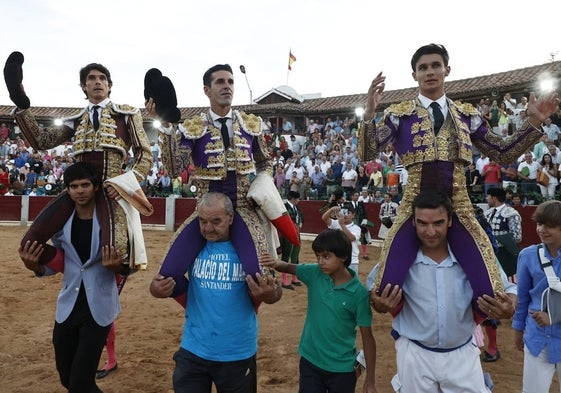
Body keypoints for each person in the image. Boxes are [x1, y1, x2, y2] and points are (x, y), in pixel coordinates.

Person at [358, 43, 559, 317]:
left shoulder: (467, 115)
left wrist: (532, 122)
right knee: (384, 293)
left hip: (459, 208)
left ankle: (467, 336)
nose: (430, 72)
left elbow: (502, 152)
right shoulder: (399, 114)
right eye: (423, 68)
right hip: (412, 210)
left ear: (446, 70)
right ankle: (412, 331)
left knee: (491, 294)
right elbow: (368, 151)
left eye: (435, 66)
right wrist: (369, 115)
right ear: (414, 75)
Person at [146, 64, 298, 289]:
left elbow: (265, 162)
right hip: (206, 212)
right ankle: (200, 309)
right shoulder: (193, 127)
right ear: (207, 90)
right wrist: (166, 126)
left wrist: (261, 184)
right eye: (220, 82)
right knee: (165, 277)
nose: (227, 86)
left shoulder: (250, 124)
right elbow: (174, 169)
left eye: (230, 81)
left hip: (244, 209)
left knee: (263, 280)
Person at [4, 52, 154, 269]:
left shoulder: (126, 114)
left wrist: (124, 185)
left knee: (118, 253)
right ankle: (73, 269)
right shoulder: (75, 119)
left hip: (110, 189)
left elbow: (144, 153)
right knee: (29, 243)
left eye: (102, 78)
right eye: (91, 79)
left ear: (110, 86)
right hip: (78, 188)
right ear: (83, 87)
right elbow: (42, 141)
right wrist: (21, 104)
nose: (97, 82)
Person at [368, 190, 517, 393]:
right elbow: (373, 289)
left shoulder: (474, 255)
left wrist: (510, 305)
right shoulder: (398, 257)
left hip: (462, 353)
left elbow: (509, 289)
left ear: (449, 221)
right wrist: (378, 304)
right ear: (413, 222)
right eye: (422, 223)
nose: (430, 232)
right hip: (414, 354)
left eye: (438, 222)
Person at [149, 192, 282, 393]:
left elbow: (275, 291)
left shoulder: (251, 251)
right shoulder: (194, 247)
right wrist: (156, 290)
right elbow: (162, 281)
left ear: (231, 218)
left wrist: (269, 294)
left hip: (236, 353)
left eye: (216, 221)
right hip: (193, 349)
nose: (208, 228)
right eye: (202, 221)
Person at [18, 162, 129, 393]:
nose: (79, 191)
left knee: (79, 383)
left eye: (85, 185)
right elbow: (61, 263)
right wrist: (36, 268)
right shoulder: (62, 224)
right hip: (68, 305)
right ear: (67, 190)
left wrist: (119, 266)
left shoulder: (111, 222)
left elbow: (132, 262)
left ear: (96, 187)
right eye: (74, 186)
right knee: (68, 379)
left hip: (98, 308)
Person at [264, 228, 378, 393]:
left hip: (342, 369)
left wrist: (370, 380)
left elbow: (368, 338)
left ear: (344, 257)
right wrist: (274, 262)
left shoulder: (359, 294)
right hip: (310, 362)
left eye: (326, 256)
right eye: (318, 256)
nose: (320, 262)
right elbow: (288, 266)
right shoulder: (315, 273)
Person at [513, 200, 561, 393]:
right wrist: (517, 328)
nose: (542, 229)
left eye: (550, 225)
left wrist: (554, 317)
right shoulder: (527, 255)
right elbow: (522, 296)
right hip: (537, 338)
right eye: (540, 224)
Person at [321, 202, 361, 273]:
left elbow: (351, 238)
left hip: (351, 260)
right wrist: (331, 210)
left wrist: (342, 224)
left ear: (353, 215)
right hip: (337, 259)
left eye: (348, 213)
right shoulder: (337, 223)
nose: (345, 215)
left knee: (351, 282)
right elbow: (324, 218)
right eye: (343, 212)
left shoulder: (356, 228)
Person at [280, 190, 304, 289]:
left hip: (296, 233)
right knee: (286, 255)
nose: (299, 200)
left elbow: (301, 217)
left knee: (295, 255)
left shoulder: (296, 208)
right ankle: (284, 280)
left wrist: (300, 224)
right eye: (298, 198)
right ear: (293, 199)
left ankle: (294, 278)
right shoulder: (284, 207)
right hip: (288, 234)